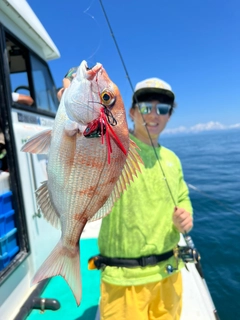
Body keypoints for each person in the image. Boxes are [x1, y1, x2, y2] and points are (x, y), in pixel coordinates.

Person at [95, 77, 193, 320]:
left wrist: (185, 216)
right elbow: (88, 135)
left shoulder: (172, 159)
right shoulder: (114, 148)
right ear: (131, 112)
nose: (153, 115)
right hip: (123, 278)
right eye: (145, 107)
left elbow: (182, 196)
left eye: (162, 109)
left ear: (169, 115)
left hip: (168, 273)